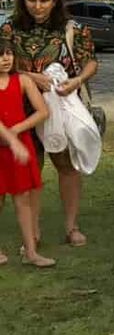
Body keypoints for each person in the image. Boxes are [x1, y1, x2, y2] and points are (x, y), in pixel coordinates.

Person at [0, 0, 98, 247]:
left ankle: (71, 227)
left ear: (55, 1)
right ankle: (32, 234)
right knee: (31, 169)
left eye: (44, 0)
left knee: (66, 165)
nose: (38, 6)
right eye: (32, 0)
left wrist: (77, 81)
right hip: (20, 109)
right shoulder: (8, 28)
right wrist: (30, 76)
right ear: (23, 0)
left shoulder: (72, 28)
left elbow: (90, 61)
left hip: (61, 107)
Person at [0, 36, 52, 267]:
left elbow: (42, 111)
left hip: (20, 145)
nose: (5, 59)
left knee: (23, 200)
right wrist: (12, 139)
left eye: (9, 53)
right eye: (1, 54)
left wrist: (17, 130)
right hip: (7, 146)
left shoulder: (22, 80)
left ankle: (30, 251)